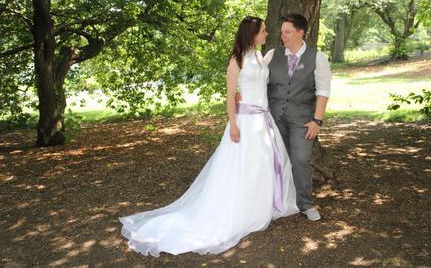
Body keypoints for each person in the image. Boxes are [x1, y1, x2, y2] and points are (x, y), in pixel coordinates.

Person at [119, 16, 299, 257]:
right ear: (251, 34)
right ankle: (238, 211)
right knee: (242, 168)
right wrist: (233, 124)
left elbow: (268, 69)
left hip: (263, 122)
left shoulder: (259, 56)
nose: (268, 34)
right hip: (244, 122)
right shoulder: (236, 61)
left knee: (262, 166)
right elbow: (229, 96)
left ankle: (260, 206)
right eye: (263, 31)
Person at [264, 13, 332, 221]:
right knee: (274, 161)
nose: (283, 36)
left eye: (288, 32)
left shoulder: (317, 57)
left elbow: (323, 91)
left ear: (300, 33)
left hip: (303, 119)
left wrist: (317, 120)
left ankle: (305, 203)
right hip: (273, 118)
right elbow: (258, 80)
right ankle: (276, 201)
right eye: (282, 32)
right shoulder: (271, 55)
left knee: (301, 160)